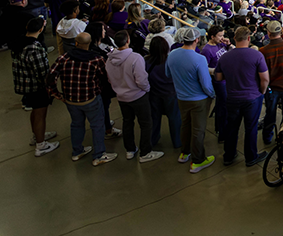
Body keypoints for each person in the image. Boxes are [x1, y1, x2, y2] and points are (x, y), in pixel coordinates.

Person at [47, 32, 116, 165]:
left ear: (76, 43)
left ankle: (77, 151)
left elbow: (50, 78)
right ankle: (99, 155)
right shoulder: (96, 59)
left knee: (76, 124)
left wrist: (57, 94)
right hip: (91, 99)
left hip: (70, 100)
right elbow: (106, 77)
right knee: (97, 125)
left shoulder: (63, 58)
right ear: (89, 44)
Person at [104, 29, 163, 163]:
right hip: (138, 96)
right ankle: (145, 152)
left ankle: (130, 150)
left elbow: (109, 79)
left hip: (121, 97)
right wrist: (147, 89)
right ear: (128, 41)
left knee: (127, 122)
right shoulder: (135, 58)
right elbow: (141, 80)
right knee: (146, 123)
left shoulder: (109, 59)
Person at [214, 25, 269, 167]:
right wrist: (262, 91)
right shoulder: (257, 55)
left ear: (234, 38)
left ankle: (229, 155)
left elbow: (218, 78)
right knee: (250, 128)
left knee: (231, 127)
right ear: (249, 38)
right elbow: (265, 79)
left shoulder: (225, 57)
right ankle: (251, 157)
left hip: (232, 97)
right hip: (252, 97)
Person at [166, 26, 216, 173]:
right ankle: (198, 160)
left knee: (186, 125)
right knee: (198, 130)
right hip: (199, 99)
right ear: (197, 40)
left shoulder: (172, 54)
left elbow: (168, 74)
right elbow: (206, 84)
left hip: (181, 97)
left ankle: (184, 152)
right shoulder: (199, 59)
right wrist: (212, 94)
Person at [12, 16, 59, 156]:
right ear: (41, 29)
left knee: (35, 112)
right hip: (36, 86)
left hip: (25, 84)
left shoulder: (19, 43)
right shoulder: (34, 47)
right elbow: (41, 71)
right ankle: (41, 145)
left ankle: (37, 135)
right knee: (40, 114)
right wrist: (50, 85)